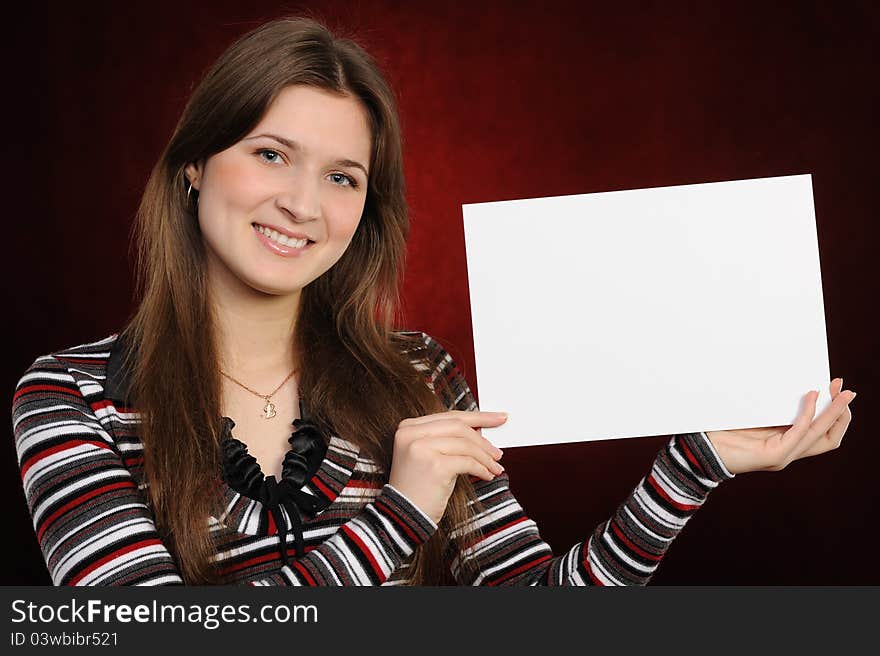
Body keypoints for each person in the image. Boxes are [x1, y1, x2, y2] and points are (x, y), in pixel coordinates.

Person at [11, 17, 856, 586]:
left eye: (342, 177)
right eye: (271, 155)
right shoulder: (66, 398)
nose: (304, 203)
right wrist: (400, 512)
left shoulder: (419, 375)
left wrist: (692, 464)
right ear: (194, 165)